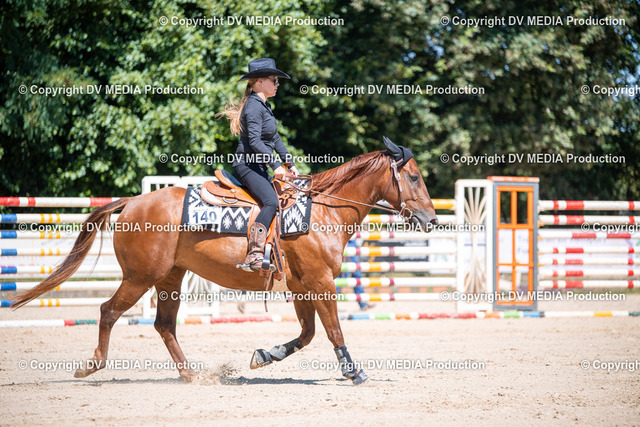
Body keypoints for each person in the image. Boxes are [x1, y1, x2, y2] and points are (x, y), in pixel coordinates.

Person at [219, 58, 299, 271]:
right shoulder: (254, 107)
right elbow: (255, 142)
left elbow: (275, 139)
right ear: (260, 82)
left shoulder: (265, 106)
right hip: (247, 165)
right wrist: (275, 165)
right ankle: (254, 254)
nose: (277, 84)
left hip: (258, 166)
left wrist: (289, 163)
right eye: (274, 80)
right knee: (271, 202)